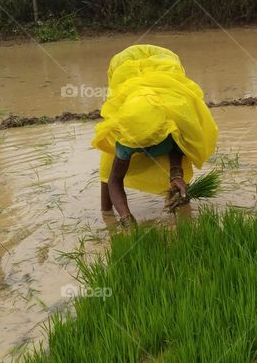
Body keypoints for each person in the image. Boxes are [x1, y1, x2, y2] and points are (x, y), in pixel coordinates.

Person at [91, 44, 218, 227]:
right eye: (143, 145)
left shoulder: (174, 127)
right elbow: (114, 180)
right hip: (124, 69)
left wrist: (176, 174)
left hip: (164, 64)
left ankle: (179, 204)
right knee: (107, 171)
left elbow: (177, 149)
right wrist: (127, 219)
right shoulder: (127, 137)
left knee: (179, 186)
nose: (147, 149)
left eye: (152, 143)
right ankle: (108, 217)